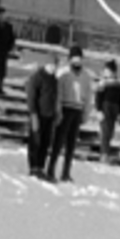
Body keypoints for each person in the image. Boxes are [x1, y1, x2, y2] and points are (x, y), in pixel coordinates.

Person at [46, 45, 93, 182]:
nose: (77, 61)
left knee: (71, 143)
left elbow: (88, 96)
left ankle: (66, 172)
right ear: (70, 59)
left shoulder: (85, 76)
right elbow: (59, 94)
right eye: (75, 58)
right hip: (66, 108)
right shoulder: (63, 73)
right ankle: (51, 169)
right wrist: (58, 111)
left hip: (77, 110)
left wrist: (85, 113)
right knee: (58, 141)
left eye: (79, 59)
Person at [24, 58, 58, 178]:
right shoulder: (38, 77)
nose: (53, 67)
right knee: (35, 141)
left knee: (45, 142)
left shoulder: (54, 79)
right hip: (38, 114)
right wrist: (33, 113)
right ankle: (33, 167)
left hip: (49, 115)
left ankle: (40, 166)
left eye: (55, 65)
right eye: (52, 64)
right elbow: (31, 96)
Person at [94, 58, 120, 163]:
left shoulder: (118, 85)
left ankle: (106, 152)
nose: (106, 72)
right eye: (105, 70)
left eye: (108, 70)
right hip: (105, 108)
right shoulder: (102, 83)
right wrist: (99, 110)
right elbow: (98, 97)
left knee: (110, 132)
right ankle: (104, 154)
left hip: (114, 109)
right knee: (105, 132)